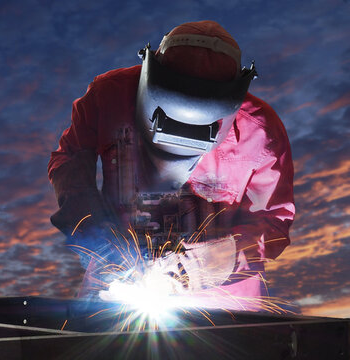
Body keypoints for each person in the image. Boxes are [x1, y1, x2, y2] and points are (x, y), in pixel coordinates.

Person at [48, 21, 294, 310]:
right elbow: (69, 163)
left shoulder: (260, 131)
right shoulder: (108, 96)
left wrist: (223, 257)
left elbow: (276, 220)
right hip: (117, 292)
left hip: (220, 308)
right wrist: (100, 242)